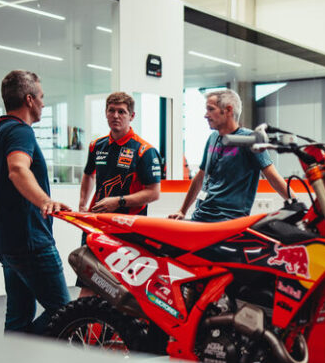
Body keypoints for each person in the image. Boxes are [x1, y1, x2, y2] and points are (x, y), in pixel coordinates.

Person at [0, 70, 71, 334]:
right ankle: (26, 346)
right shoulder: (21, 132)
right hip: (32, 243)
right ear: (29, 100)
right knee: (65, 314)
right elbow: (18, 169)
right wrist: (45, 201)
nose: (44, 102)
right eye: (41, 96)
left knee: (18, 317)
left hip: (6, 242)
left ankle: (16, 353)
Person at [77, 91, 162, 297]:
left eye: (122, 112)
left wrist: (119, 201)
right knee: (89, 284)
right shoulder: (96, 145)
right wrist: (82, 205)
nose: (116, 116)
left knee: (121, 291)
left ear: (132, 116)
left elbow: (153, 193)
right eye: (111, 111)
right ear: (106, 113)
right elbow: (88, 174)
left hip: (127, 230)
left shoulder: (144, 150)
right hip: (97, 225)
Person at [169, 89, 291, 222]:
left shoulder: (249, 139)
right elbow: (200, 176)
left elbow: (273, 177)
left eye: (211, 109)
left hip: (228, 221)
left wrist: (295, 203)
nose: (206, 115)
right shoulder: (213, 137)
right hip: (200, 217)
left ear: (228, 110)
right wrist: (182, 210)